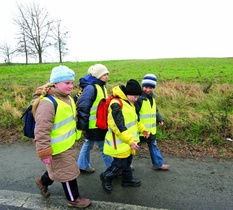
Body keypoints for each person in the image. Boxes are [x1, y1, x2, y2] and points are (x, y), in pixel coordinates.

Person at [33, 65, 91, 208]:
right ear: (55, 84)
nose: (71, 86)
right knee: (67, 172)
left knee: (59, 169)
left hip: (66, 143)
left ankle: (42, 181)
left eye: (72, 82)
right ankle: (73, 199)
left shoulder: (67, 98)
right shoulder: (47, 103)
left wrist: (79, 131)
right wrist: (44, 151)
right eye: (67, 83)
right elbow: (41, 130)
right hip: (55, 147)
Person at [100, 79, 149, 193]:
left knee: (127, 163)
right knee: (119, 165)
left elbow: (135, 121)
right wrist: (130, 140)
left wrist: (143, 129)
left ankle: (127, 180)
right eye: (135, 96)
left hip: (128, 142)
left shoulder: (129, 103)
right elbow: (118, 126)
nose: (136, 99)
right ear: (128, 93)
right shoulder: (116, 104)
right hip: (119, 143)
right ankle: (106, 177)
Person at [77, 64, 113, 173]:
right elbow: (83, 107)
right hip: (94, 125)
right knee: (103, 147)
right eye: (104, 74)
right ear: (97, 75)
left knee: (88, 144)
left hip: (98, 124)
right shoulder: (91, 87)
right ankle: (113, 169)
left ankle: (83, 166)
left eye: (107, 74)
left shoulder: (100, 86)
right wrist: (83, 126)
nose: (106, 76)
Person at [135, 74, 170, 171]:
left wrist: (160, 119)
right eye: (146, 87)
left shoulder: (152, 98)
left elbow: (155, 110)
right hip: (140, 130)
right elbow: (134, 114)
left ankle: (158, 164)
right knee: (131, 149)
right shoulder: (139, 99)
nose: (148, 89)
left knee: (153, 145)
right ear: (142, 86)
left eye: (151, 87)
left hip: (150, 130)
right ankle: (125, 166)